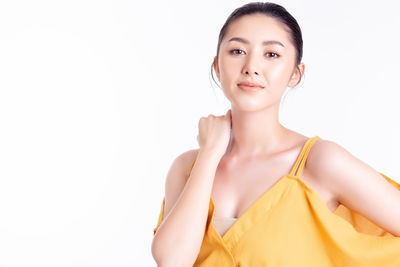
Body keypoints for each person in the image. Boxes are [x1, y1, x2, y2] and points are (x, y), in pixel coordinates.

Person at [151, 2, 400, 266]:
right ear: (217, 67)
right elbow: (172, 261)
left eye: (271, 54)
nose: (251, 66)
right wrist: (210, 154)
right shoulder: (187, 167)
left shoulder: (319, 162)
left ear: (295, 74)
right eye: (237, 51)